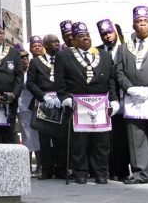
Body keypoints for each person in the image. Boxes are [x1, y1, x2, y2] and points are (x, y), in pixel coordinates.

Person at [55, 21, 119, 185]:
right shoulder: (64, 56)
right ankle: (80, 172)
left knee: (101, 142)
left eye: (87, 36)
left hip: (100, 104)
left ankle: (100, 173)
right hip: (77, 103)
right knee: (79, 142)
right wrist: (64, 98)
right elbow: (60, 81)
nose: (85, 39)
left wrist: (114, 99)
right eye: (80, 37)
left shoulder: (104, 55)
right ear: (74, 40)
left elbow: (111, 80)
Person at [116, 6, 148, 185]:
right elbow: (119, 72)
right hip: (133, 99)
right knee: (135, 137)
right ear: (134, 25)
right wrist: (130, 89)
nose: (142, 25)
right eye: (139, 22)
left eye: (145, 21)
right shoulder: (123, 48)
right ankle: (140, 174)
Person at [26, 33, 67, 180]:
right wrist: (43, 96)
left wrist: (62, 95)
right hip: (43, 102)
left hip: (60, 101)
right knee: (44, 138)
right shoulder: (36, 62)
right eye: (54, 42)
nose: (57, 44)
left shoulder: (63, 59)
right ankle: (47, 169)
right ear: (46, 45)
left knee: (60, 138)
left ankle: (61, 169)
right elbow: (30, 83)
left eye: (58, 42)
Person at [96, 18, 130, 182]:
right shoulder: (97, 51)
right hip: (105, 100)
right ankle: (108, 170)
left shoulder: (126, 49)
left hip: (126, 98)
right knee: (106, 138)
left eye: (109, 32)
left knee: (122, 138)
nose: (107, 36)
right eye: (104, 34)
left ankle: (122, 171)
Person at [17, 47, 41, 175]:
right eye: (21, 58)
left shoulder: (32, 71)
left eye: (26, 57)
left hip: (33, 107)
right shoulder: (16, 72)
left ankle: (39, 165)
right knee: (26, 137)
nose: (24, 59)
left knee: (35, 136)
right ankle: (26, 166)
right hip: (21, 108)